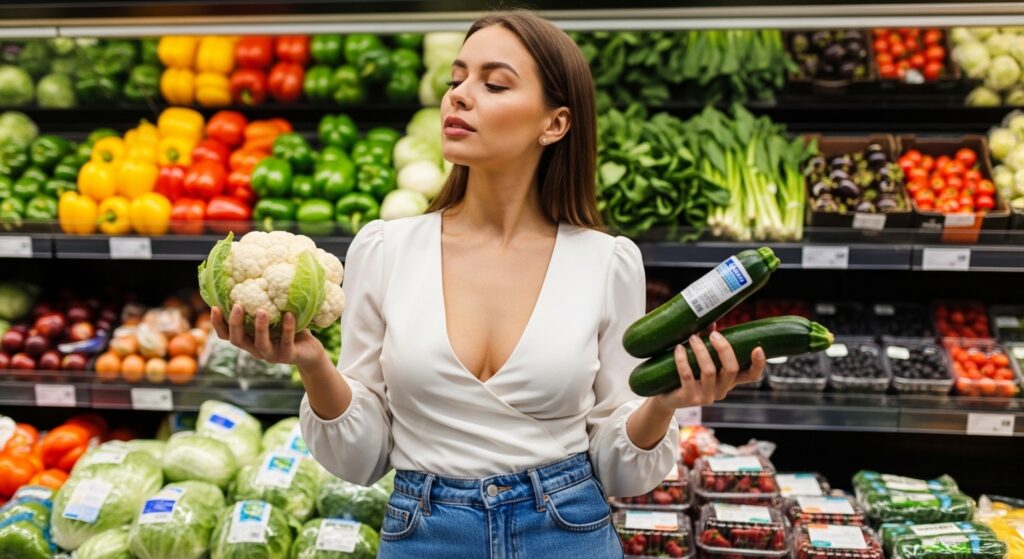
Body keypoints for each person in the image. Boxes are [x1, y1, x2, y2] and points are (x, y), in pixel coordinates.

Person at [211, 10, 766, 558]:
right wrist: (313, 363)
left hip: (566, 530)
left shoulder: (608, 261)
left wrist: (663, 405)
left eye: (494, 83)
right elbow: (362, 459)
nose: (459, 95)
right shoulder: (384, 249)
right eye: (456, 80)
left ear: (555, 123)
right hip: (423, 533)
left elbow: (619, 468)